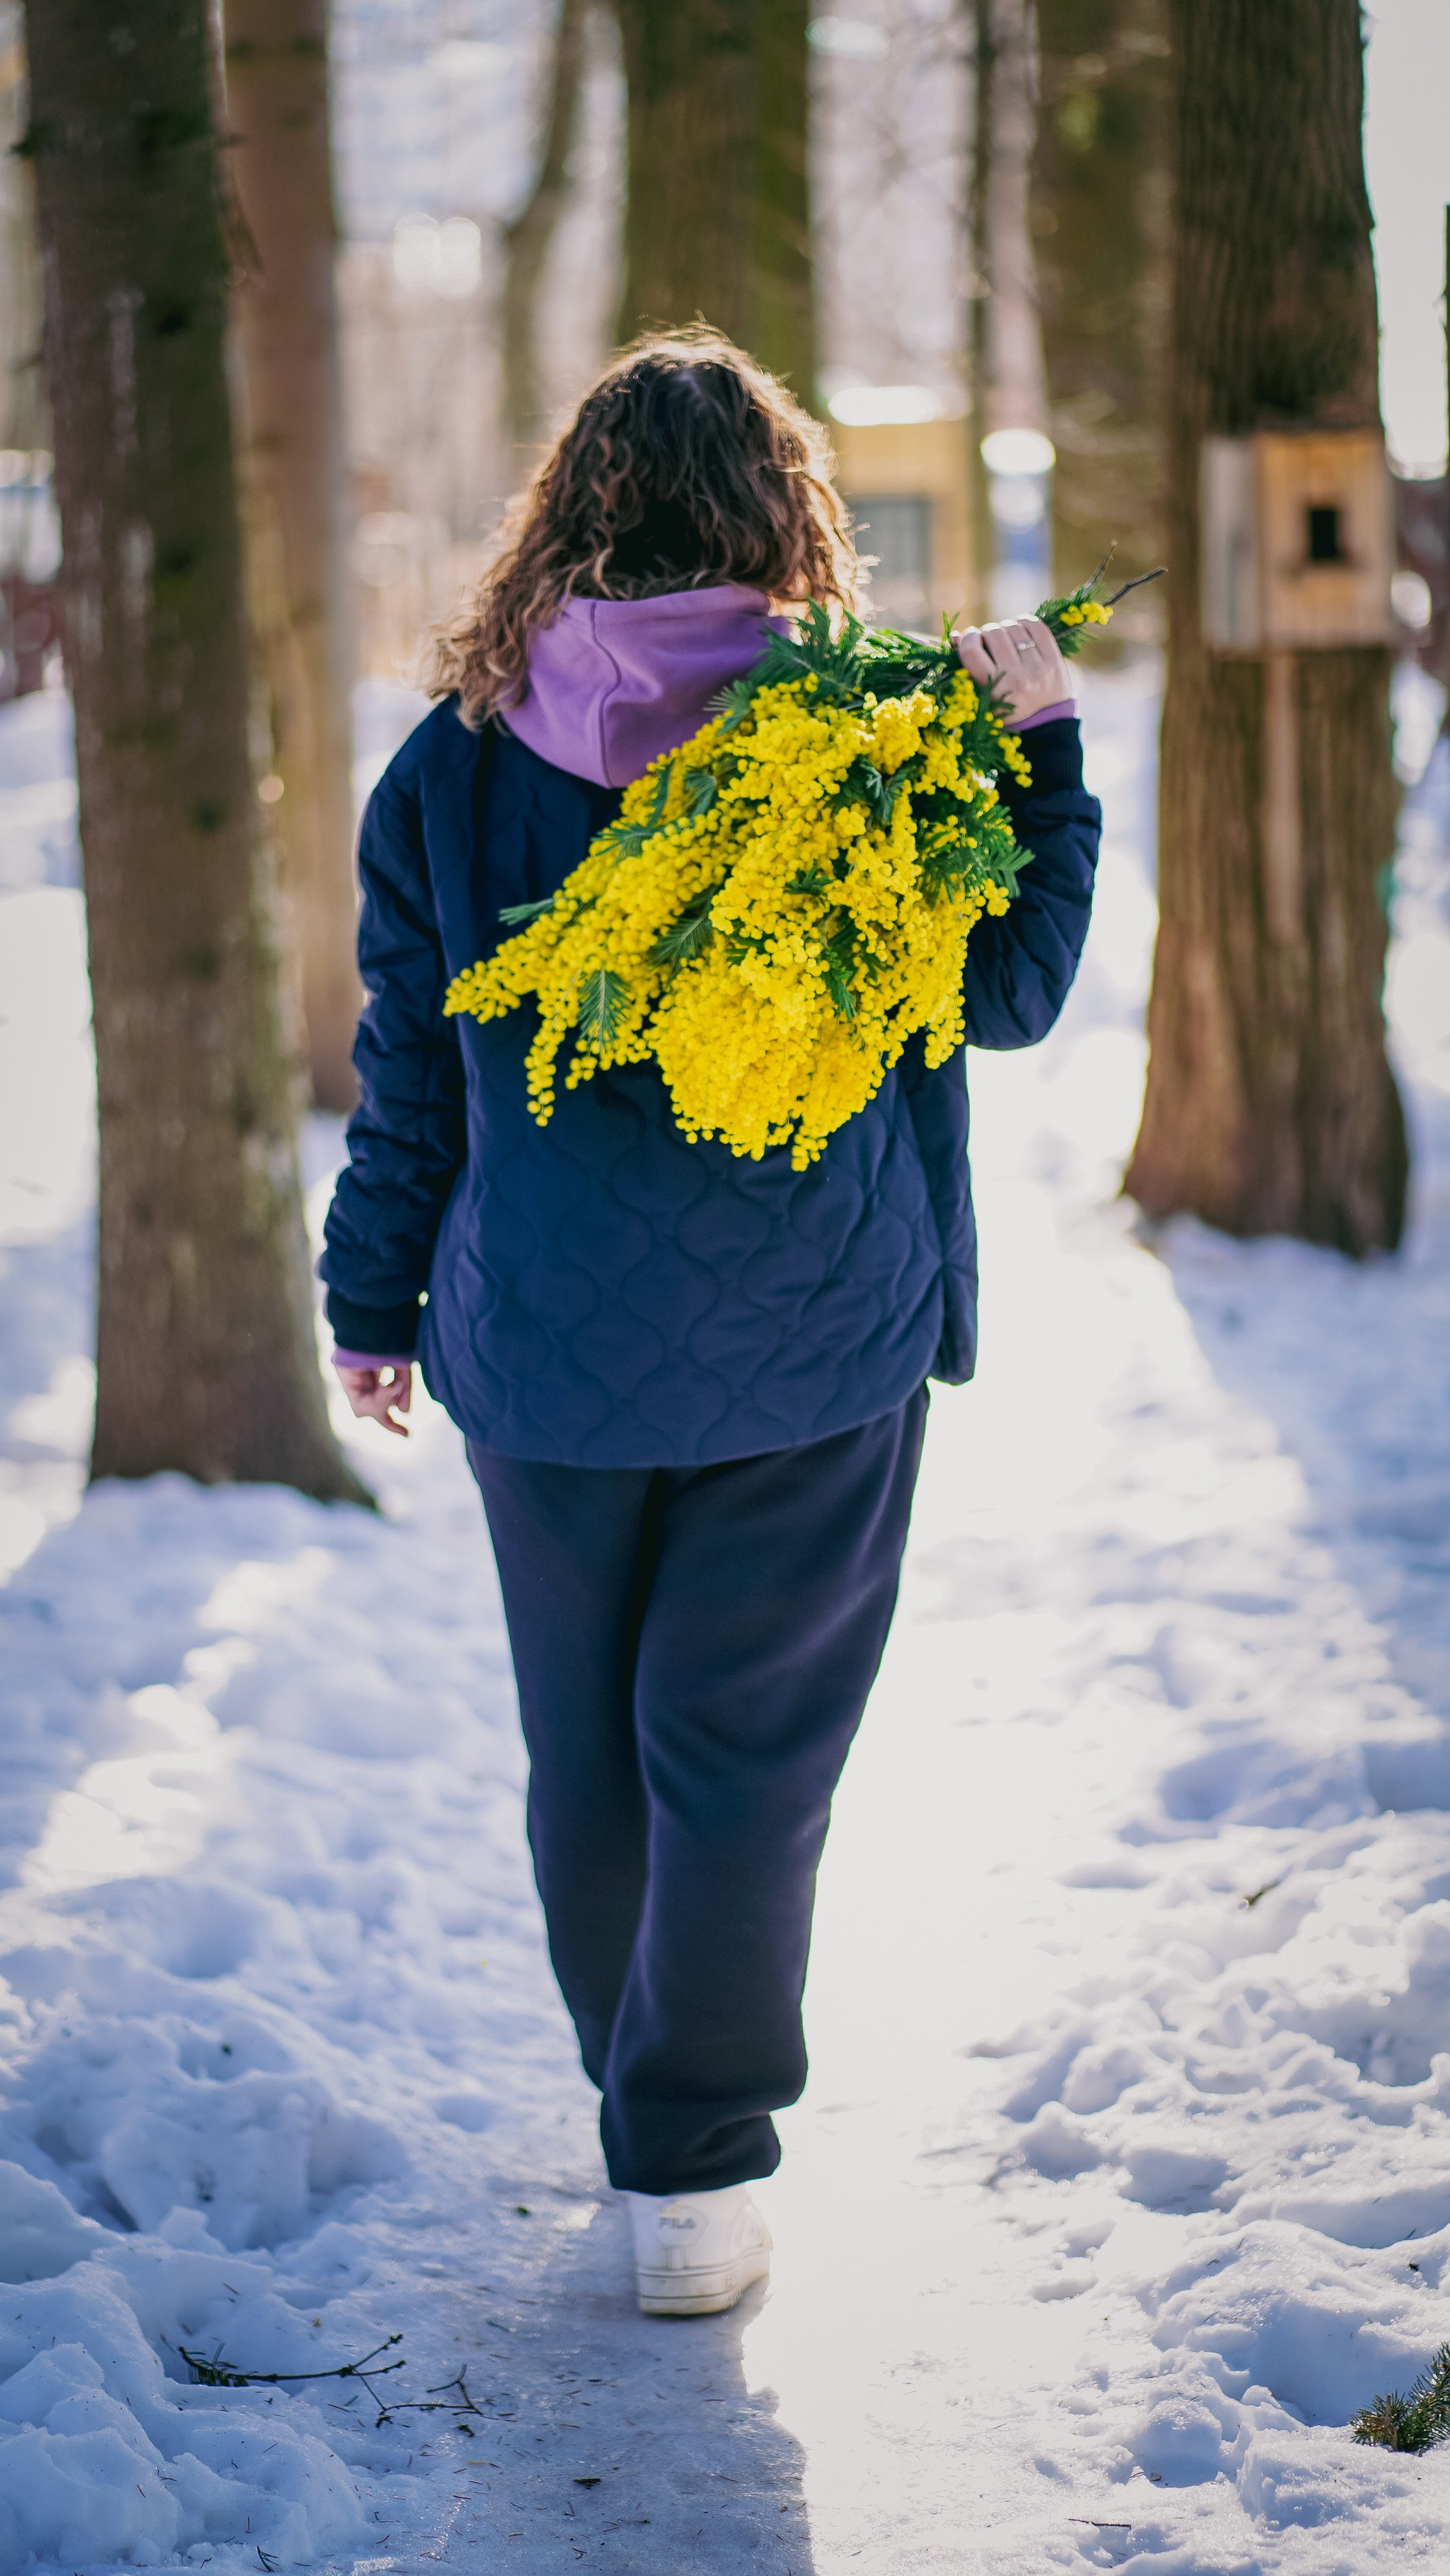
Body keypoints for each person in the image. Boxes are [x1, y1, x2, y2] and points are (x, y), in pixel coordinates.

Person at [322, 330, 1100, 2318]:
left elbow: (410, 1075)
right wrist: (1043, 747)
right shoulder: (869, 738)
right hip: (814, 1339)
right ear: (783, 514)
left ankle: (645, 2134)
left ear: (561, 517)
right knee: (742, 1759)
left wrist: (369, 1296)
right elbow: (1005, 998)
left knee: (587, 1753)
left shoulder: (449, 773)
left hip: (542, 1352)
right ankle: (693, 2168)